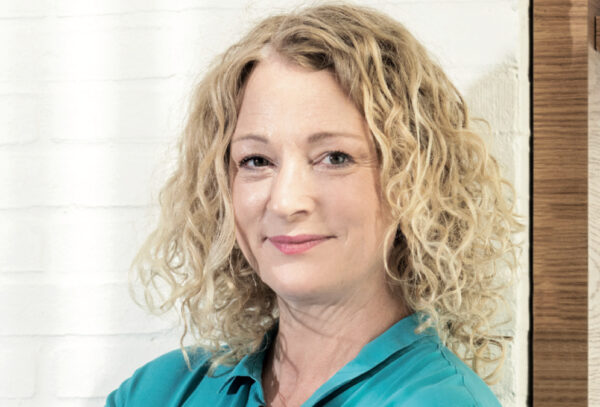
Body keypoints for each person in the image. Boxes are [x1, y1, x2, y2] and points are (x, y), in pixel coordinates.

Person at [106, 3, 521, 406]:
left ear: (412, 179)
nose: (286, 202)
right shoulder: (158, 391)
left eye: (335, 158)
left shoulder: (437, 400)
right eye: (256, 161)